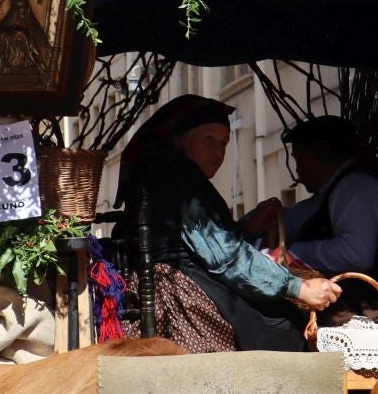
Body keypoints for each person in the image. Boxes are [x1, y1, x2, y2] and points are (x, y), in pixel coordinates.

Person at [113, 95, 339, 352]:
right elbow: (226, 257)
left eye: (223, 143)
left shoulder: (167, 172)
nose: (218, 152)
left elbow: (206, 242)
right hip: (179, 295)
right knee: (285, 329)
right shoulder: (179, 179)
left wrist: (246, 228)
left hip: (181, 280)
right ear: (179, 138)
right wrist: (299, 288)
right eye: (208, 139)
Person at [255, 114, 378, 276]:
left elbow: (357, 255)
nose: (297, 169)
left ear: (315, 155)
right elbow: (298, 217)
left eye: (298, 158)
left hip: (364, 296)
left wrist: (292, 252)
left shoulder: (356, 187)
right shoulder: (331, 192)